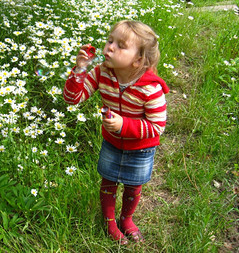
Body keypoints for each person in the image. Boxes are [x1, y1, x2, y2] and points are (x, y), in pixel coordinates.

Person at [63, 20, 169, 245]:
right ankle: (110, 222)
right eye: (110, 40)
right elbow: (73, 99)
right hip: (112, 142)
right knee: (108, 182)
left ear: (138, 60)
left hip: (140, 148)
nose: (110, 47)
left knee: (133, 185)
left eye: (121, 45)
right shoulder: (102, 73)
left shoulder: (151, 88)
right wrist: (80, 68)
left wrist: (125, 125)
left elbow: (157, 126)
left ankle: (126, 219)